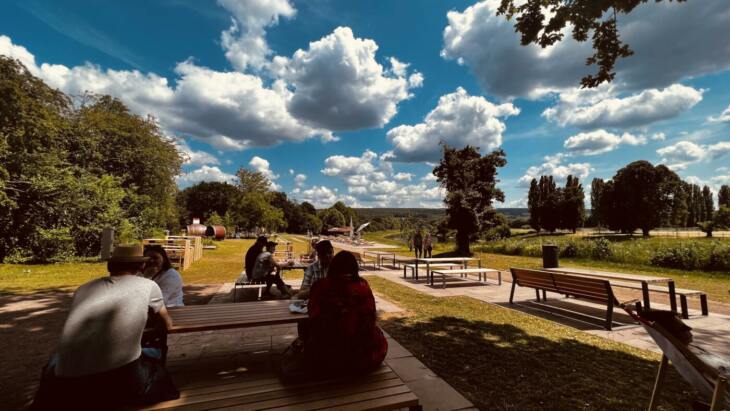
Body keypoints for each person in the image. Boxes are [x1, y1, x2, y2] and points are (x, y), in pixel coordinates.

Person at [30, 244, 179, 409]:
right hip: (118, 379)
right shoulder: (149, 286)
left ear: (110, 265)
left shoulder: (84, 289)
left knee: (56, 359)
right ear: (142, 266)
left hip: (66, 380)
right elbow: (168, 323)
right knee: (155, 357)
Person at [283, 251, 387, 379]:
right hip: (363, 355)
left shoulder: (321, 286)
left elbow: (313, 315)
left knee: (306, 329)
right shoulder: (363, 286)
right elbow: (371, 315)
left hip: (329, 355)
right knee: (377, 333)